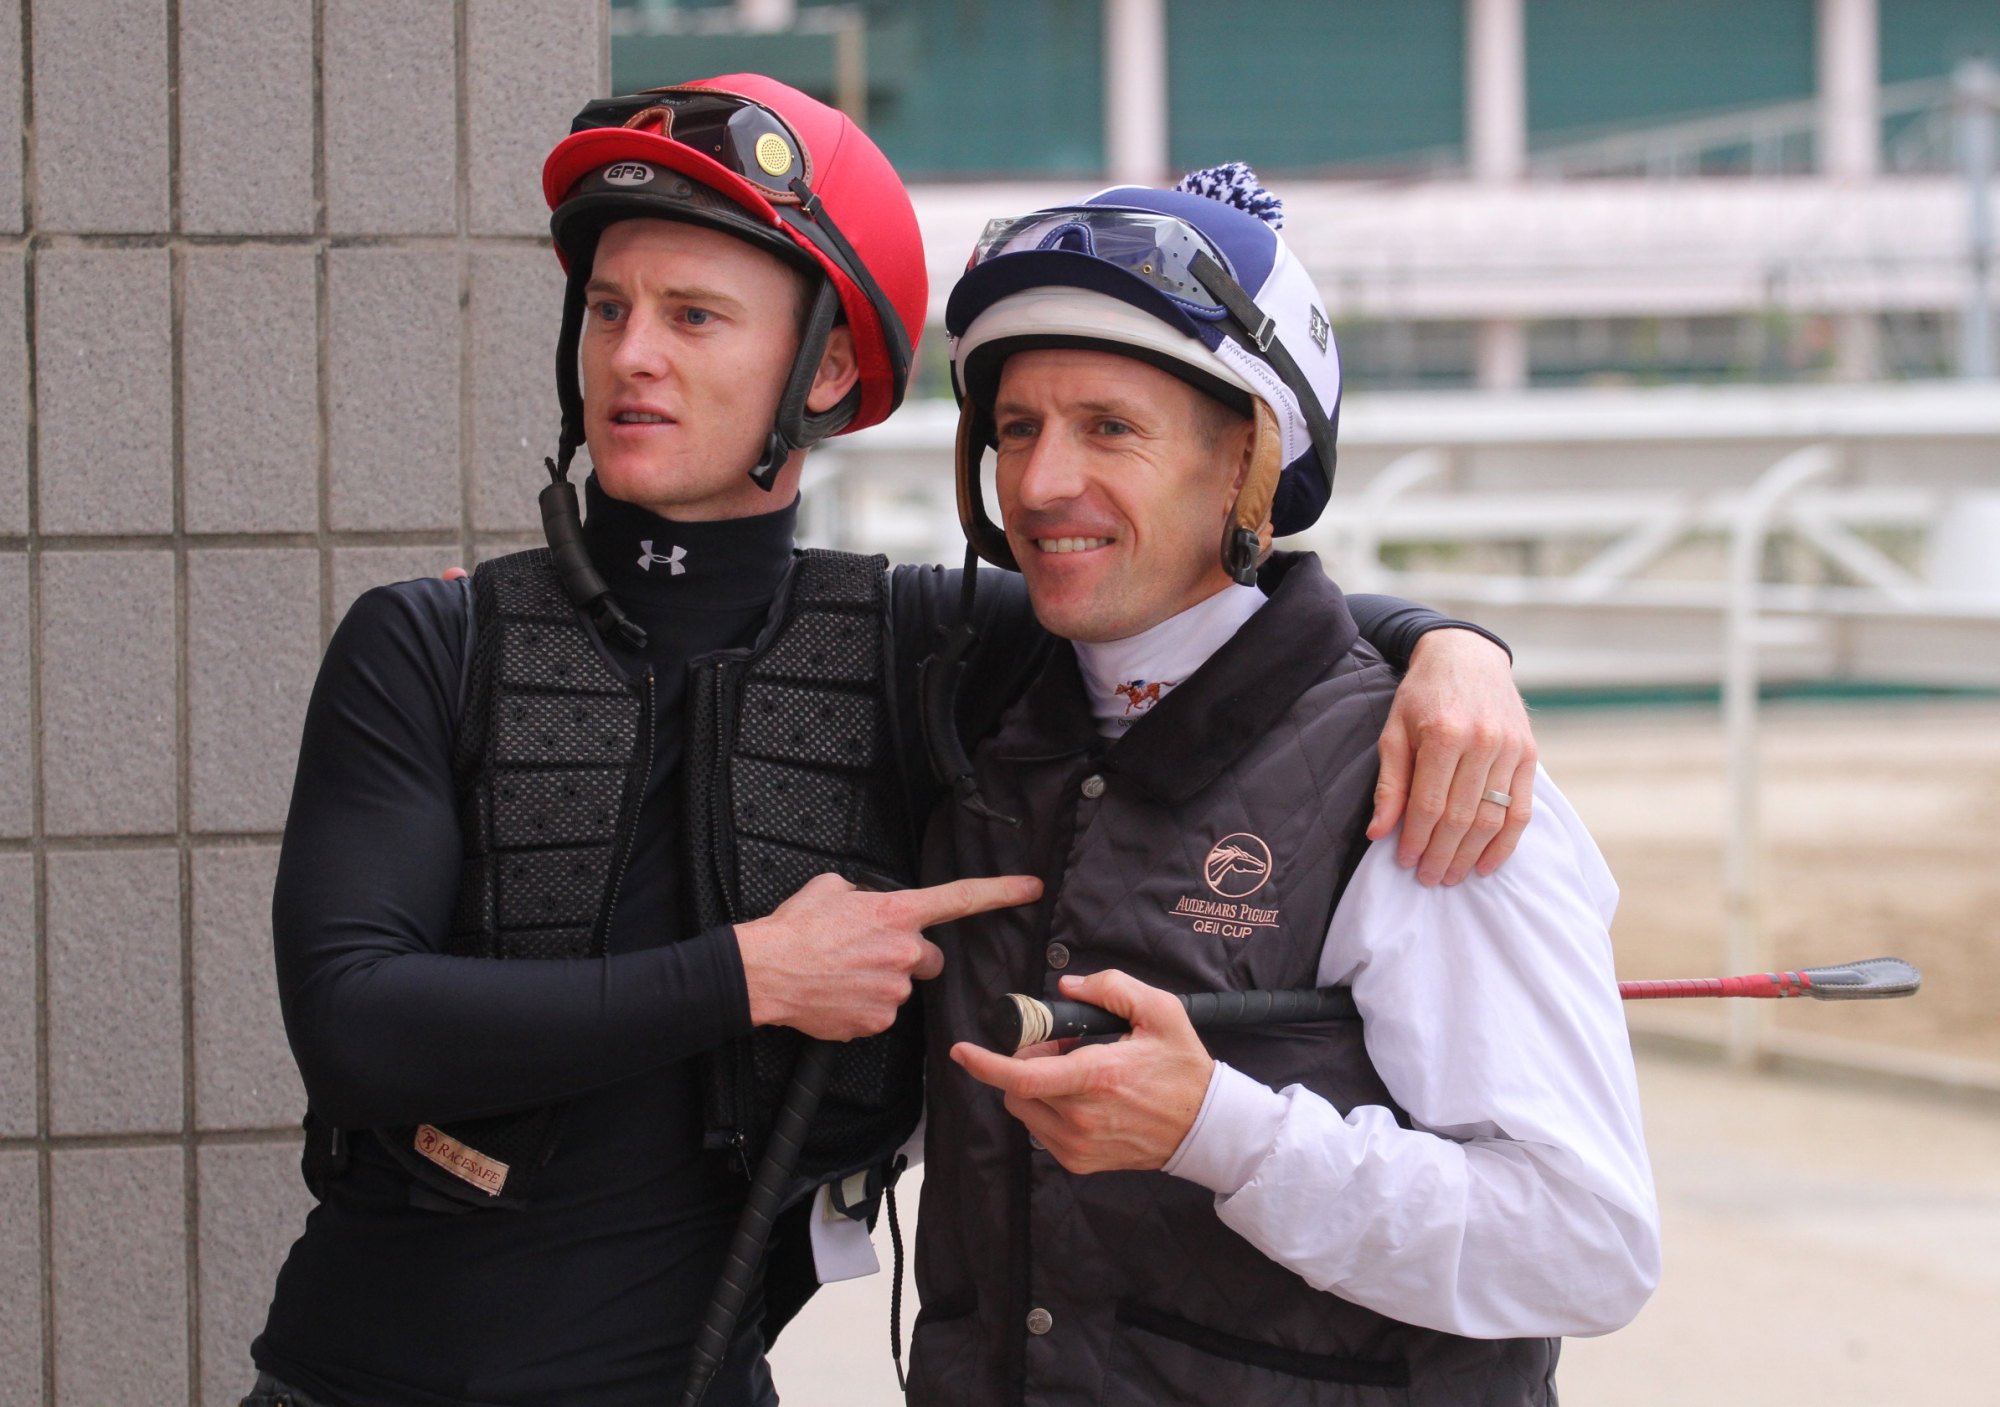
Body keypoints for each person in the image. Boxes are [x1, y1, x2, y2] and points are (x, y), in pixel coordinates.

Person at [246, 79, 1540, 1407]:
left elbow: (1217, 602)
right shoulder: (428, 642)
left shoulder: (920, 642)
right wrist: (754, 971)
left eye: (695, 316)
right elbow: (358, 1024)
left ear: (824, 368)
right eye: (610, 306)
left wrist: (1449, 644)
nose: (633, 353)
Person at [907, 170, 1660, 1406]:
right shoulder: (979, 727)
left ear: (1247, 464)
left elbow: (1584, 1247)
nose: (1039, 485)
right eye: (1014, 428)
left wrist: (1222, 1132)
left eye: (1108, 428)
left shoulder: (1425, 774)